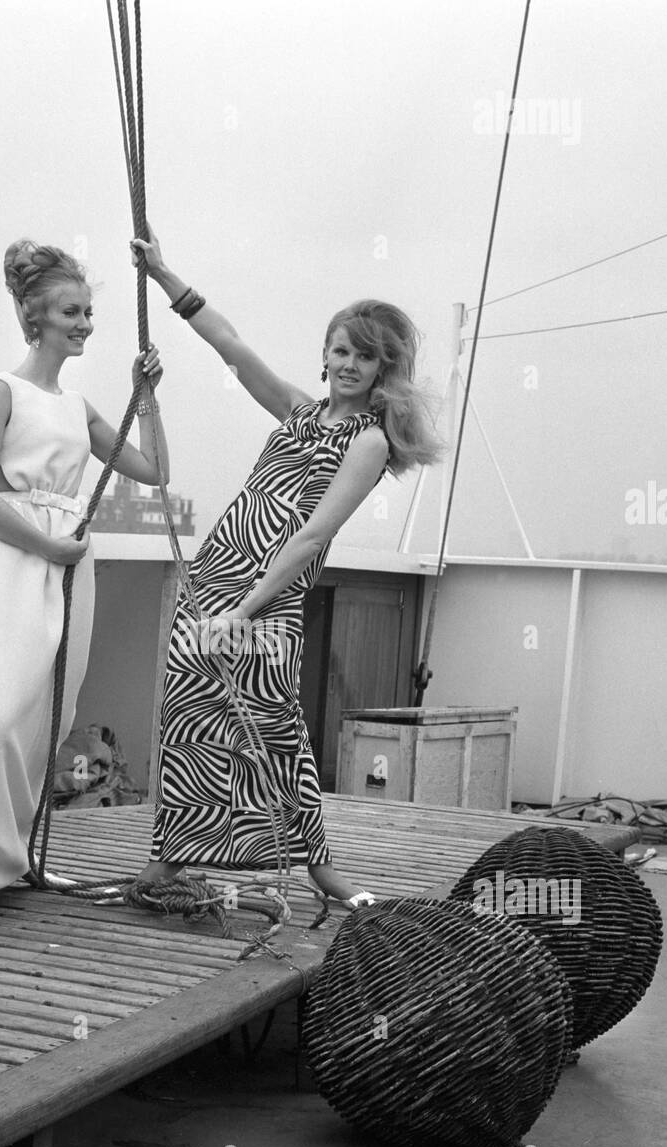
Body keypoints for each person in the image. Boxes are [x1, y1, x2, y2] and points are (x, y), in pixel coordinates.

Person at [128, 228, 440, 913]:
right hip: (213, 574)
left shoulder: (368, 442)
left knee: (270, 725)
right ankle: (165, 859)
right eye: (340, 350)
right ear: (324, 354)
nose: (348, 364)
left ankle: (320, 867)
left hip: (265, 598)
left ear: (384, 370)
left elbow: (312, 536)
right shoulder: (301, 410)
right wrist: (161, 272)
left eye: (364, 356)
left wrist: (247, 609)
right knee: (190, 717)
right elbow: (234, 350)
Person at [0, 239, 167, 931]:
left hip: (70, 563)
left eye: (89, 311)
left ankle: (14, 859)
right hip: (7, 559)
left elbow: (154, 466)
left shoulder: (79, 405)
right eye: (72, 311)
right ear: (34, 317)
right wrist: (47, 544)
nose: (86, 323)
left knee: (51, 718)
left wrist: (148, 396)